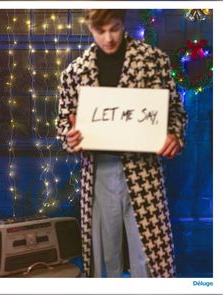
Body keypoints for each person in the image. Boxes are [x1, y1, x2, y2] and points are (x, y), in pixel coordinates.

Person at [56, 9, 187, 278]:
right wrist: (69, 137)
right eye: (99, 31)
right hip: (99, 171)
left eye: (114, 28)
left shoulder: (153, 60)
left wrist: (173, 135)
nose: (108, 38)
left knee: (149, 253)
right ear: (89, 27)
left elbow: (175, 112)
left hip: (145, 170)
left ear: (123, 23)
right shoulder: (74, 72)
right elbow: (62, 124)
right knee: (105, 254)